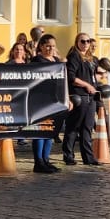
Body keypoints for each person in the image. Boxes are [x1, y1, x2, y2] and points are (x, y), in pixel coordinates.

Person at [30, 34, 67, 173]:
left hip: (54, 100)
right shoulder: (37, 60)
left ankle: (46, 160)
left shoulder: (56, 60)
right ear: (41, 46)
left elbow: (62, 82)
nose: (51, 48)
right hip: (40, 100)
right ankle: (38, 162)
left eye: (53, 46)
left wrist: (66, 99)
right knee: (40, 130)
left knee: (50, 131)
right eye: (48, 46)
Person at [63, 33, 101, 166]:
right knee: (74, 126)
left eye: (88, 41)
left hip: (91, 96)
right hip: (80, 95)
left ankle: (88, 157)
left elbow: (94, 75)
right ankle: (68, 155)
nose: (85, 44)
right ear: (77, 42)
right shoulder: (74, 56)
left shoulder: (91, 59)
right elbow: (72, 78)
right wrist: (87, 85)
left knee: (88, 127)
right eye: (82, 41)